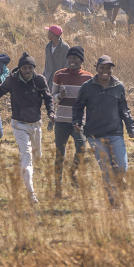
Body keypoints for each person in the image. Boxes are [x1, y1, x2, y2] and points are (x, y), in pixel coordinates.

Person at [0, 53, 53, 203]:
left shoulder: (39, 80)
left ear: (33, 68)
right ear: (20, 68)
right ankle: (31, 193)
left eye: (29, 68)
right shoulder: (12, 80)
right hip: (19, 125)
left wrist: (51, 112)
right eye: (24, 68)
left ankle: (29, 172)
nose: (27, 71)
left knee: (37, 156)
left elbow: (48, 97)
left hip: (35, 124)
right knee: (26, 159)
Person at [72, 55, 134, 205]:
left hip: (115, 133)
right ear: (96, 68)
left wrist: (131, 127)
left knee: (122, 167)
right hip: (95, 134)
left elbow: (124, 110)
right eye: (102, 68)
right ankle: (113, 200)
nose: (105, 71)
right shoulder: (87, 87)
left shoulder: (118, 86)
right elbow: (78, 107)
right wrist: (77, 122)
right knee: (106, 168)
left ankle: (119, 183)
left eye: (108, 68)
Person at [50, 47, 92, 197]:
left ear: (81, 60)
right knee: (60, 154)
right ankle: (58, 189)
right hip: (61, 120)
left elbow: (90, 101)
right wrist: (59, 96)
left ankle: (72, 171)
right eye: (70, 58)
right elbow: (52, 97)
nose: (72, 61)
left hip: (78, 121)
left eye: (76, 58)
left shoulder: (88, 77)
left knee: (81, 148)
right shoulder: (59, 74)